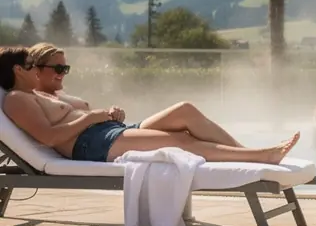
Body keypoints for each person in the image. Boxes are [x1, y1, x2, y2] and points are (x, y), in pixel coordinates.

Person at [0, 46, 299, 165]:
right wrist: (91, 117)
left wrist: (101, 115)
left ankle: (248, 155)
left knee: (185, 110)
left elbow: (74, 114)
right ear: (17, 71)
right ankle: (259, 157)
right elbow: (50, 138)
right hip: (91, 143)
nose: (35, 70)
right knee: (180, 140)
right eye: (29, 66)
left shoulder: (43, 94)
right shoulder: (17, 100)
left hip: (108, 130)